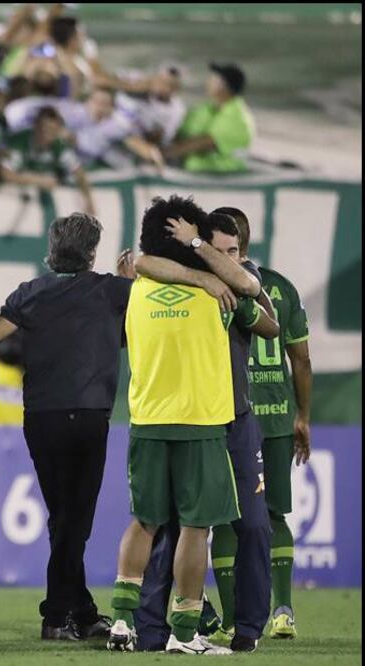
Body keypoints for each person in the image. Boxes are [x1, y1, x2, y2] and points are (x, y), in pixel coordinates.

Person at [0, 213, 132, 641]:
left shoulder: (30, 294)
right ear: (92, 252)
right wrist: (130, 280)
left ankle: (79, 612)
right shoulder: (114, 292)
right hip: (90, 417)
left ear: (53, 246)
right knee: (73, 520)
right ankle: (57, 615)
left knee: (63, 518)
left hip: (41, 419)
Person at [133, 209, 279, 653]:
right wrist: (204, 269)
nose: (228, 259)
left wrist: (222, 272)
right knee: (171, 528)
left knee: (254, 526)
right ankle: (155, 630)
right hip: (193, 420)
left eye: (233, 252)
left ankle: (249, 627)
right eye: (221, 251)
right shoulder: (186, 282)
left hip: (235, 421)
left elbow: (271, 326)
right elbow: (140, 262)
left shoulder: (238, 284)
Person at [105, 196, 240, 655]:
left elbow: (142, 262)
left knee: (144, 521)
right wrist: (201, 250)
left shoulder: (135, 290)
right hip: (200, 421)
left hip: (146, 421)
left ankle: (122, 623)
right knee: (195, 529)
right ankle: (184, 634)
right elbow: (245, 283)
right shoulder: (215, 291)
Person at [232, 209, 312, 640]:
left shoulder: (217, 283)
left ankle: (231, 617)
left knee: (228, 519)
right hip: (280, 416)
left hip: (232, 416)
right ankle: (283, 610)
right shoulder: (281, 286)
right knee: (276, 513)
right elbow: (301, 358)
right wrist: (304, 414)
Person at [0, 106, 95, 216]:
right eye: (45, 129)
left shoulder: (59, 146)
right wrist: (37, 180)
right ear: (36, 126)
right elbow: (5, 173)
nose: (49, 135)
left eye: (54, 131)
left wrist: (88, 200)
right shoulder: (21, 142)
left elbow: (79, 172)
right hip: (13, 202)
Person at [166, 63, 255, 173]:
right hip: (192, 165)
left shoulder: (238, 117)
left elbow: (204, 143)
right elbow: (182, 130)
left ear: (224, 86)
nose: (207, 82)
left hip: (224, 172)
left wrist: (164, 153)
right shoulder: (208, 108)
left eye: (213, 80)